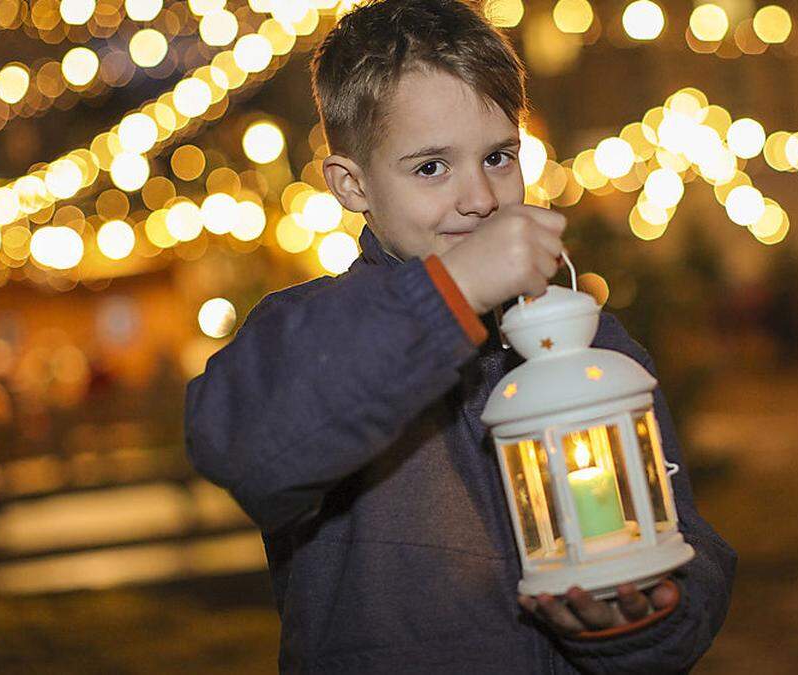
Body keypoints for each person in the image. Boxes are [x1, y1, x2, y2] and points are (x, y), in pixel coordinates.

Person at [184, 1, 735, 672]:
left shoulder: (594, 344)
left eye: (499, 156)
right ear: (351, 185)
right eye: (431, 168)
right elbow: (248, 445)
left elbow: (681, 539)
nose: (480, 196)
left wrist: (642, 619)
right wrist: (450, 293)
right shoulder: (311, 331)